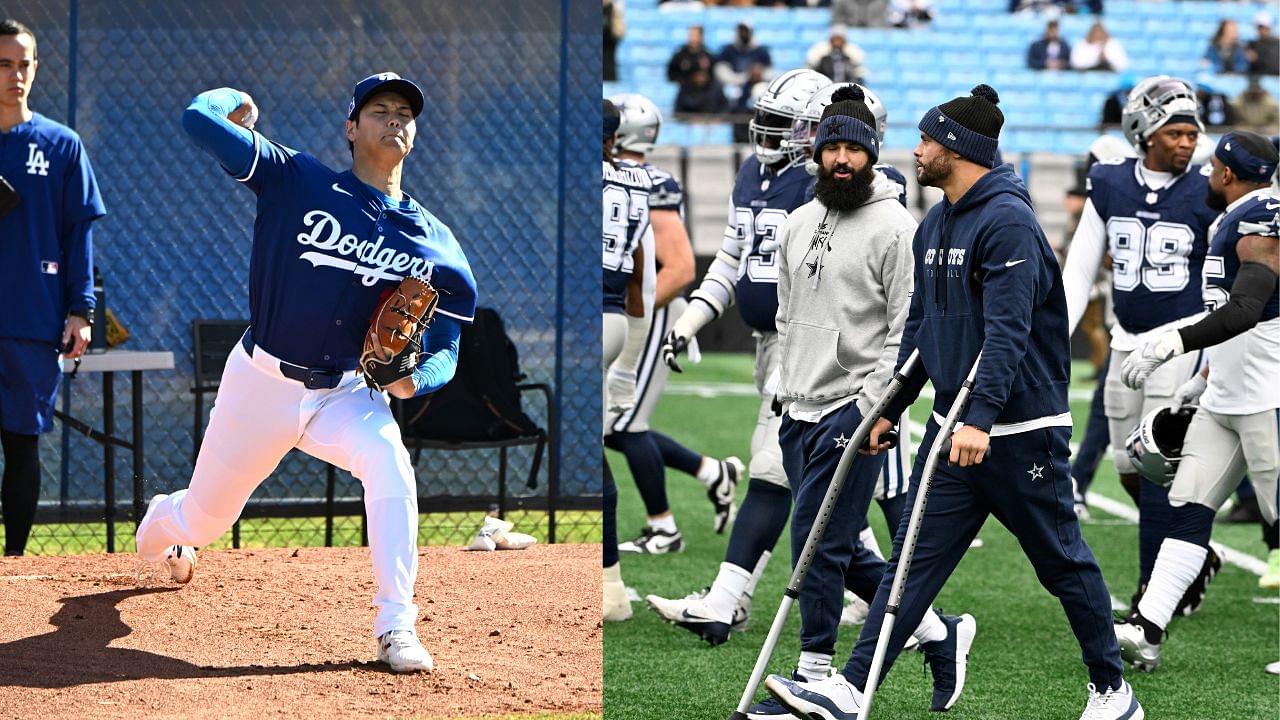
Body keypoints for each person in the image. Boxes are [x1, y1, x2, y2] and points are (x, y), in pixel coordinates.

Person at [765, 84, 1143, 720]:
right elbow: (922, 333)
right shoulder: (937, 220)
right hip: (951, 431)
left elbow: (1007, 334)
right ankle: (852, 691)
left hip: (1018, 430)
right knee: (909, 566)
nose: (915, 151)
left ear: (958, 149)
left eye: (926, 140)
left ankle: (1112, 690)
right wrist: (890, 406)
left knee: (1063, 563)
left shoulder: (1009, 221)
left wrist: (979, 419)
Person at [135, 72, 477, 674]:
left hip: (347, 393)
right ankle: (168, 519)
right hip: (260, 382)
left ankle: (395, 624)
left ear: (415, 134)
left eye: (404, 112)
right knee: (206, 520)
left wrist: (413, 380)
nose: (393, 118)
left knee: (391, 464)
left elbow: (448, 347)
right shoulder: (297, 178)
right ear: (350, 128)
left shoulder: (436, 244)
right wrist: (235, 103)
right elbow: (198, 119)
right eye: (378, 110)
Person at [772, 85, 973, 714]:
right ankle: (939, 631)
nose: (840, 158)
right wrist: (783, 388)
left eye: (852, 149)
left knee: (817, 542)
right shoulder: (798, 221)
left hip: (852, 410)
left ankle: (815, 674)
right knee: (837, 543)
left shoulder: (896, 227)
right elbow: (785, 315)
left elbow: (906, 329)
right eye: (831, 145)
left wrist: (872, 406)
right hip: (796, 406)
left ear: (871, 154)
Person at [646, 69, 830, 665]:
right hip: (766, 344)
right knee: (819, 491)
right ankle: (917, 620)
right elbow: (731, 257)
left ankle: (726, 601)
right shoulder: (754, 171)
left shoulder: (823, 185)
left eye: (780, 123)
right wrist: (690, 320)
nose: (764, 132)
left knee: (776, 468)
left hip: (807, 347)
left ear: (811, 130)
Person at [1113, 130, 1278, 672]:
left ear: (1227, 174)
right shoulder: (1235, 216)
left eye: (1212, 168)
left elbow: (1247, 308)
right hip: (1228, 394)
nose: (1206, 175)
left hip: (1269, 398)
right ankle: (1147, 628)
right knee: (1187, 506)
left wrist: (1172, 343)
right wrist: (1202, 376)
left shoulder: (1261, 222)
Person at [1062, 75, 1222, 618]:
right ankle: (1190, 552)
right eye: (1175, 132)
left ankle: (1153, 598)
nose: (1186, 142)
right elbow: (1081, 264)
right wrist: (1053, 336)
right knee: (1124, 464)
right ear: (1145, 131)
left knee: (1157, 463)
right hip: (1126, 341)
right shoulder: (1109, 182)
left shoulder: (1207, 188)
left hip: (1179, 342)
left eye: (1190, 133)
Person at [604, 93, 741, 552]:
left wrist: (628, 312)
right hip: (636, 310)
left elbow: (680, 267)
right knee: (615, 425)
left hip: (649, 314)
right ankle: (711, 472)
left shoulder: (648, 181)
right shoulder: (623, 175)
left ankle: (664, 528)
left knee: (622, 425)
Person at [0, 19, 104, 557]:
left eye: (24, 64)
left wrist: (80, 310)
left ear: (36, 68)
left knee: (22, 447)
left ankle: (11, 567)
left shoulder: (62, 145)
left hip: (33, 322)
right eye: (4, 64)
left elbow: (77, 233)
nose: (15, 75)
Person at [602, 98, 655, 621]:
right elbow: (643, 283)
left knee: (589, 462)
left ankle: (610, 586)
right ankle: (608, 584)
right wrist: (626, 366)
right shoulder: (637, 183)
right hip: (617, 320)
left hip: (588, 320)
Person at [714, 22, 773, 100]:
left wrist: (759, 75)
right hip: (732, 84)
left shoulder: (760, 51)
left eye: (746, 31)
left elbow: (770, 72)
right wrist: (740, 78)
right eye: (741, 31)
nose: (744, 34)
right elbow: (720, 70)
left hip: (755, 85)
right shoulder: (728, 50)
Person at [667, 25, 715, 91]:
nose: (693, 38)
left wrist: (704, 78)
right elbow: (671, 75)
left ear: (701, 37)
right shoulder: (680, 55)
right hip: (685, 91)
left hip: (704, 91)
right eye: (691, 35)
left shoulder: (708, 55)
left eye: (696, 35)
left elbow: (713, 75)